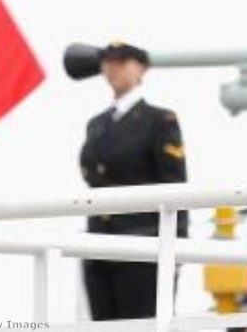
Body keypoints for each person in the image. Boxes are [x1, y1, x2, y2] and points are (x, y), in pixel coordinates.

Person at [79, 41, 188, 321]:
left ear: (141, 68)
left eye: (122, 61)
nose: (113, 68)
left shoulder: (159, 120)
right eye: (108, 61)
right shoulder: (96, 124)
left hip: (142, 246)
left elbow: (175, 186)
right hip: (99, 246)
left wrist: (177, 246)